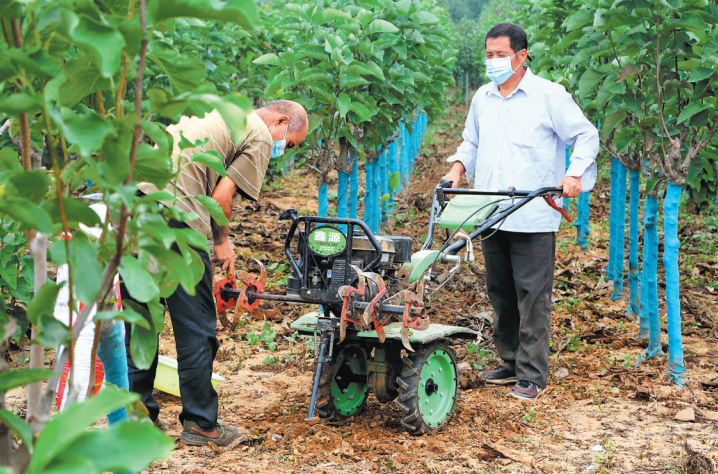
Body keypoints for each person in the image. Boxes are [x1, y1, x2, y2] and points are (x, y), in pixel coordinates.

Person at [123, 100, 308, 445]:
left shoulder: (220, 111)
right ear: (282, 120)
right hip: (178, 215)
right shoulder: (260, 134)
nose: (285, 148)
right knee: (196, 325)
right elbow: (223, 196)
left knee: (141, 318)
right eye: (291, 141)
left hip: (137, 205)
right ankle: (201, 424)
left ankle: (137, 421)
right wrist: (222, 242)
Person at [442, 23, 598, 400]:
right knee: (501, 292)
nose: (492, 61)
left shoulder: (549, 95)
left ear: (521, 56)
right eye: (488, 55)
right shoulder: (483, 97)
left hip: (533, 210)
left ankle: (532, 375)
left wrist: (574, 173)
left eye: (500, 55)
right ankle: (510, 361)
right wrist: (456, 170)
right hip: (491, 210)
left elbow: (585, 135)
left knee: (532, 295)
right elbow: (471, 141)